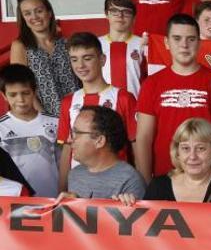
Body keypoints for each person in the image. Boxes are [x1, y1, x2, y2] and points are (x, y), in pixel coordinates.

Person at [135, 14, 211, 180]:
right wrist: (145, 183)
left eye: (191, 39)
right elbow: (143, 138)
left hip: (208, 177)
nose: (184, 45)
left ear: (199, 43)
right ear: (166, 42)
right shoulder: (151, 84)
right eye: (177, 38)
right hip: (165, 178)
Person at [58, 32, 138, 190]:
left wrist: (143, 184)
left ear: (102, 60)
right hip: (79, 184)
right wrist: (61, 189)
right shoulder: (68, 101)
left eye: (87, 58)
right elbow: (67, 149)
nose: (80, 65)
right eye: (74, 59)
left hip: (117, 185)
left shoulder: (123, 97)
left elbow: (136, 146)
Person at [143, 118, 211, 203]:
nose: (192, 156)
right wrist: (127, 204)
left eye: (200, 148)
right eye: (185, 148)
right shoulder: (158, 187)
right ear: (177, 152)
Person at [9, 0, 79, 116]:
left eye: (39, 11)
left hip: (75, 111)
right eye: (27, 13)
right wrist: (43, 117)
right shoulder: (21, 46)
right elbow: (21, 86)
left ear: (49, 13)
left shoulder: (67, 44)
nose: (34, 17)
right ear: (23, 19)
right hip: (43, 116)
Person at [0, 64, 59, 197]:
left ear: (35, 91)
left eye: (25, 93)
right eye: (13, 95)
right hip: (17, 205)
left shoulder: (56, 123)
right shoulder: (1, 128)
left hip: (55, 200)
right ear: (4, 95)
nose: (20, 100)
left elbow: (66, 165)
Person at [65, 106, 144, 200]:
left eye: (76, 133)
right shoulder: (75, 174)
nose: (69, 140)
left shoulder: (130, 180)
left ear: (99, 141)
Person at [98, 0, 145, 98]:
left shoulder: (143, 44)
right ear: (106, 14)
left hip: (135, 106)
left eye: (126, 12)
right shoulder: (96, 44)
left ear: (134, 17)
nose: (120, 15)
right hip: (103, 109)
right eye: (114, 11)